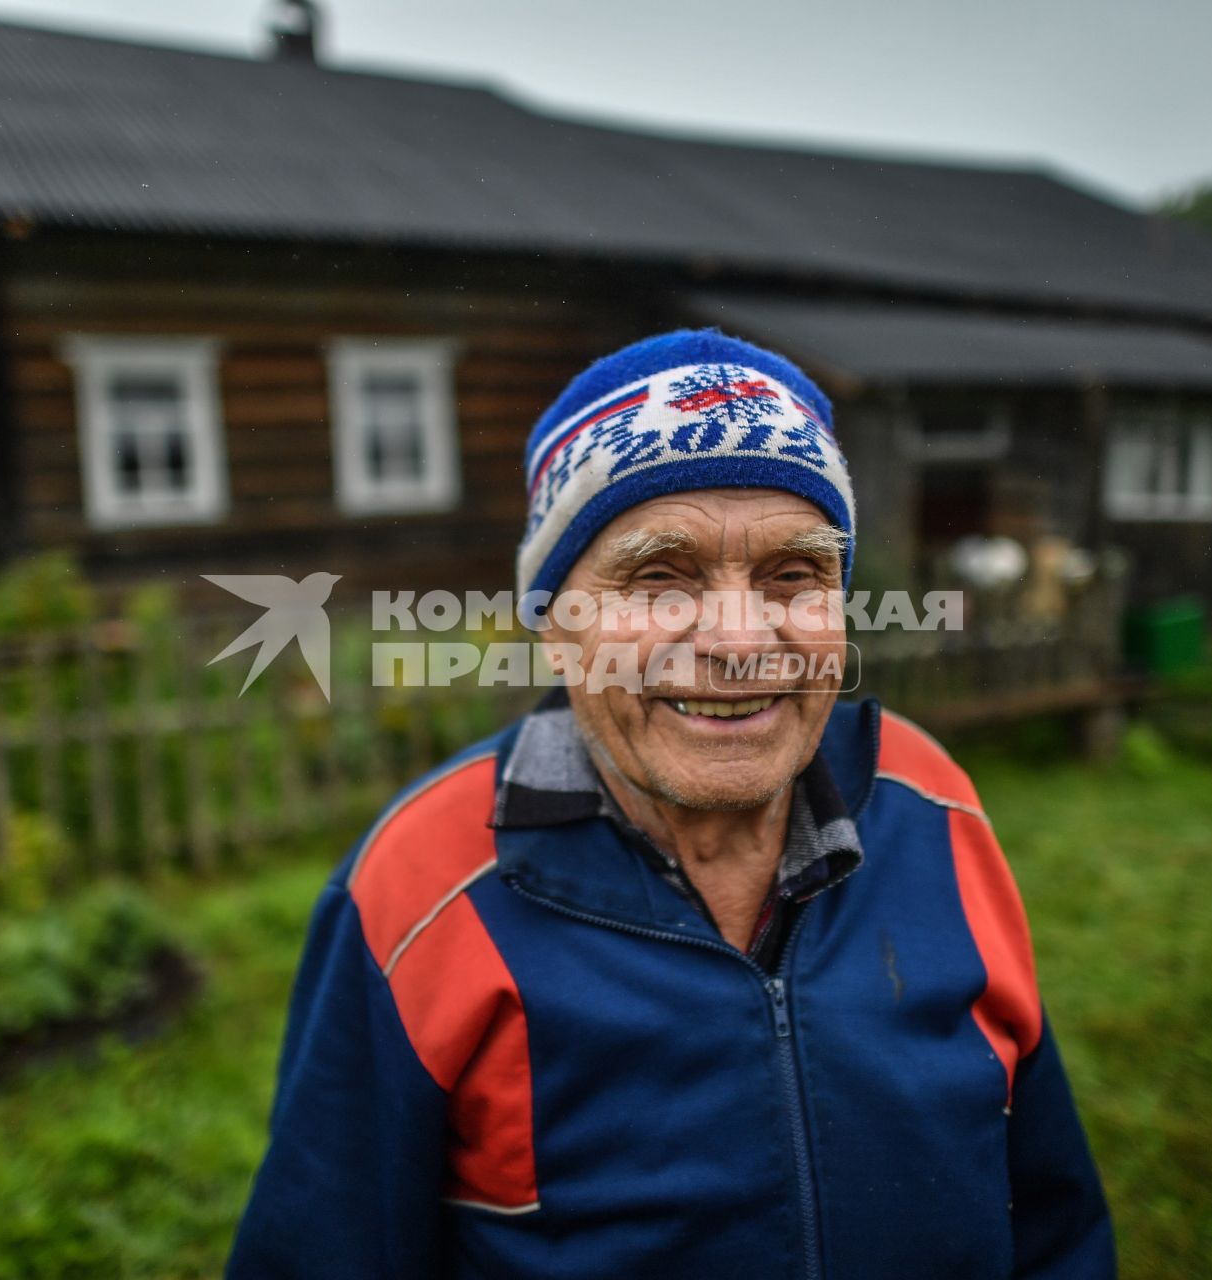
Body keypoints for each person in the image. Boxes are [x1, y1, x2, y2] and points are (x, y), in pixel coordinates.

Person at [224, 330, 1115, 1278]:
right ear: (556, 630)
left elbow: (1052, 1222)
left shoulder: (931, 805)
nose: (738, 639)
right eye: (659, 577)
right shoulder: (425, 884)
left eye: (794, 575)